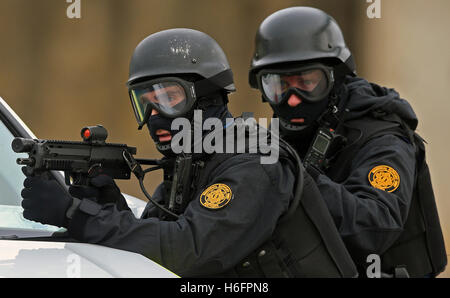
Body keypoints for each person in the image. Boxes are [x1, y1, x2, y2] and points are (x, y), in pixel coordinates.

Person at [20, 28, 357, 277]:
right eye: (145, 103)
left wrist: (73, 214)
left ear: (209, 97)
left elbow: (187, 252)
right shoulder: (192, 162)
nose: (155, 118)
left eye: (169, 98)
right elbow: (153, 253)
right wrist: (108, 203)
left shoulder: (255, 162)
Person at [248, 6, 447, 277]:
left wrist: (294, 179)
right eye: (278, 86)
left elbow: (373, 228)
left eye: (307, 82)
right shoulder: (280, 139)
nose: (291, 99)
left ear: (335, 77)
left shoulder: (382, 137)